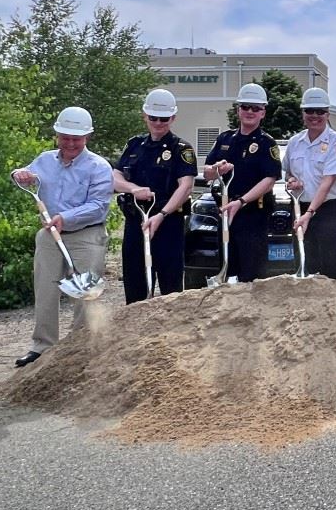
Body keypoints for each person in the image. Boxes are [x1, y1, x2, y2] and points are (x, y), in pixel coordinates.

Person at [11, 107, 112, 367]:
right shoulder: (44, 160)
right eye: (65, 137)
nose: (70, 143)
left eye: (76, 138)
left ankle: (80, 348)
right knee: (45, 288)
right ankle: (42, 346)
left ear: (87, 137)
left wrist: (65, 218)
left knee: (84, 291)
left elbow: (98, 206)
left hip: (87, 235)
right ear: (57, 134)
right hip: (49, 235)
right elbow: (25, 176)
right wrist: (19, 175)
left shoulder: (99, 167)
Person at [112, 89, 197, 303]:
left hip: (167, 223)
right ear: (145, 116)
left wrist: (162, 214)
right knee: (135, 283)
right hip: (136, 221)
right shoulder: (134, 145)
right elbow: (115, 177)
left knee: (171, 288)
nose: (158, 123)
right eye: (153, 118)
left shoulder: (181, 149)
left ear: (173, 118)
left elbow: (185, 186)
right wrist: (133, 189)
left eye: (164, 119)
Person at [203, 83, 281, 282]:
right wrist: (217, 169)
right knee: (227, 268)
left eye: (256, 108)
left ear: (263, 113)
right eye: (245, 107)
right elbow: (207, 173)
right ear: (238, 110)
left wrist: (242, 202)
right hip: (226, 212)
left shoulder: (266, 143)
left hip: (252, 214)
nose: (250, 112)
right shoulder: (224, 139)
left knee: (251, 273)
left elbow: (269, 179)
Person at [286, 88, 336, 279]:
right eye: (309, 111)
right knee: (305, 263)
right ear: (303, 114)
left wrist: (310, 213)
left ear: (328, 114)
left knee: (331, 266)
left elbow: (327, 183)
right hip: (301, 207)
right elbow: (288, 171)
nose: (314, 116)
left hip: (329, 211)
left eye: (320, 111)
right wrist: (292, 181)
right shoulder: (295, 142)